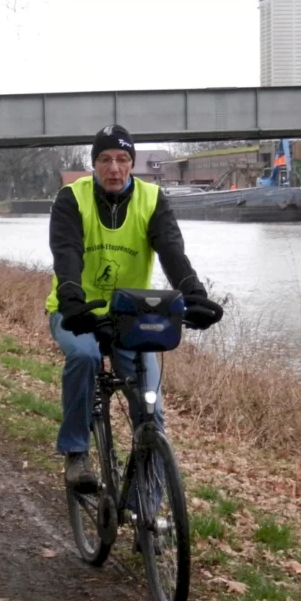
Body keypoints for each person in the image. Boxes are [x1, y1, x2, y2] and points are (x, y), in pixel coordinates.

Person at [45, 125, 223, 492]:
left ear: (132, 163)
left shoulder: (152, 199)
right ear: (93, 164)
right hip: (78, 310)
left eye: (122, 159)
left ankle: (150, 516)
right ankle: (76, 451)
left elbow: (172, 251)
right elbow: (67, 253)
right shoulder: (71, 199)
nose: (114, 168)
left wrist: (193, 293)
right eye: (106, 159)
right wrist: (71, 297)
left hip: (132, 313)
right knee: (84, 358)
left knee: (151, 410)